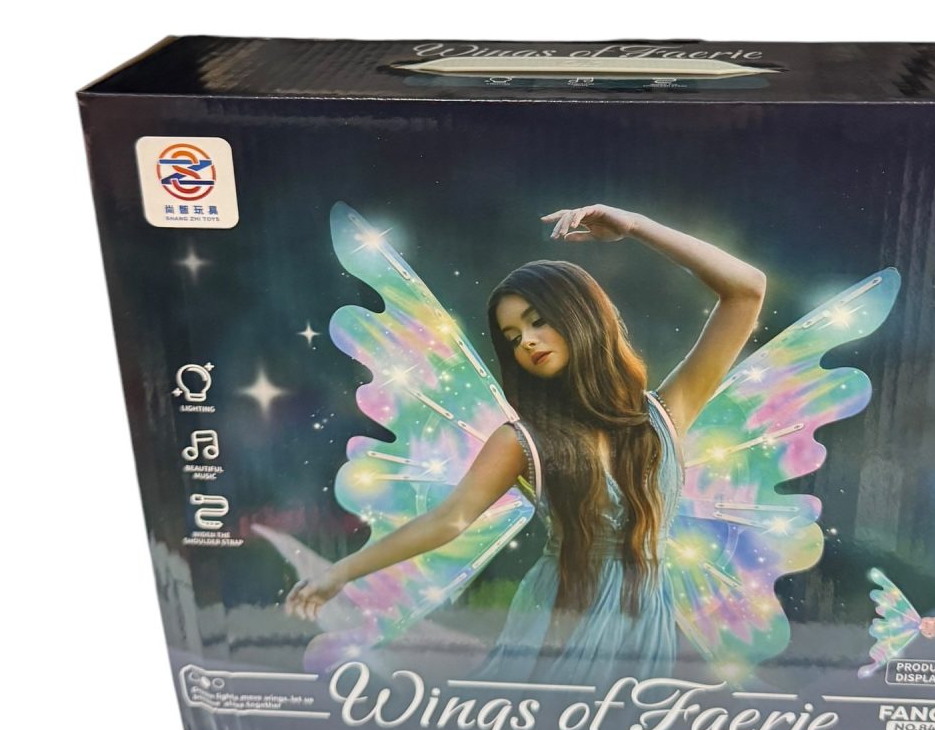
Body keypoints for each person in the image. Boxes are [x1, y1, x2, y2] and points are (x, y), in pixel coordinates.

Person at [285, 204, 766, 685]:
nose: (527, 343)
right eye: (513, 338)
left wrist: (637, 227)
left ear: (580, 316)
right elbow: (448, 519)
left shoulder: (664, 414)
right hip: (560, 619)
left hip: (646, 625)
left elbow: (746, 291)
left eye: (538, 322)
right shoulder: (522, 440)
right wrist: (340, 572)